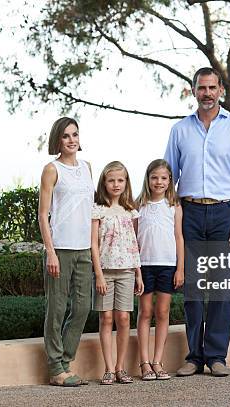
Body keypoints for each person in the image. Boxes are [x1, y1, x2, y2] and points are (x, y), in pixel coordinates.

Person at [164, 67, 230, 377]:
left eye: (212, 87)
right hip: (189, 213)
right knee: (191, 287)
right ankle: (193, 356)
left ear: (221, 91)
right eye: (202, 88)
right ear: (193, 91)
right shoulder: (180, 130)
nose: (207, 93)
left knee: (220, 288)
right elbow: (168, 179)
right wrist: (170, 220)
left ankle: (216, 356)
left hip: (223, 213)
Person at [38, 117, 94, 387]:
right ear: (58, 140)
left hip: (84, 248)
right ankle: (55, 368)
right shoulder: (51, 169)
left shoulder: (87, 168)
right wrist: (50, 252)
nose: (72, 140)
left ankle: (65, 361)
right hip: (60, 247)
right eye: (66, 136)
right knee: (57, 308)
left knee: (83, 306)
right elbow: (43, 214)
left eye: (75, 134)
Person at [91, 161, 144, 385]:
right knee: (106, 319)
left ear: (126, 183)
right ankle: (109, 368)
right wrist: (99, 274)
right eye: (111, 180)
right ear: (104, 182)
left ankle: (121, 368)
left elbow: (134, 244)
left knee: (123, 318)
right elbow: (93, 244)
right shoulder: (98, 209)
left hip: (127, 271)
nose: (116, 184)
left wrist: (138, 274)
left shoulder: (131, 211)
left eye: (120, 180)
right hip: (105, 271)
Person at [135, 159, 184, 381]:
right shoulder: (139, 205)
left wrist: (180, 268)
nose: (159, 182)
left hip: (167, 265)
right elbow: (133, 239)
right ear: (148, 179)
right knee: (145, 312)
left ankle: (158, 361)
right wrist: (135, 270)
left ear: (170, 181)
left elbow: (178, 237)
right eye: (154, 177)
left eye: (164, 178)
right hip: (144, 265)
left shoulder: (174, 206)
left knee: (162, 312)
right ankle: (144, 363)